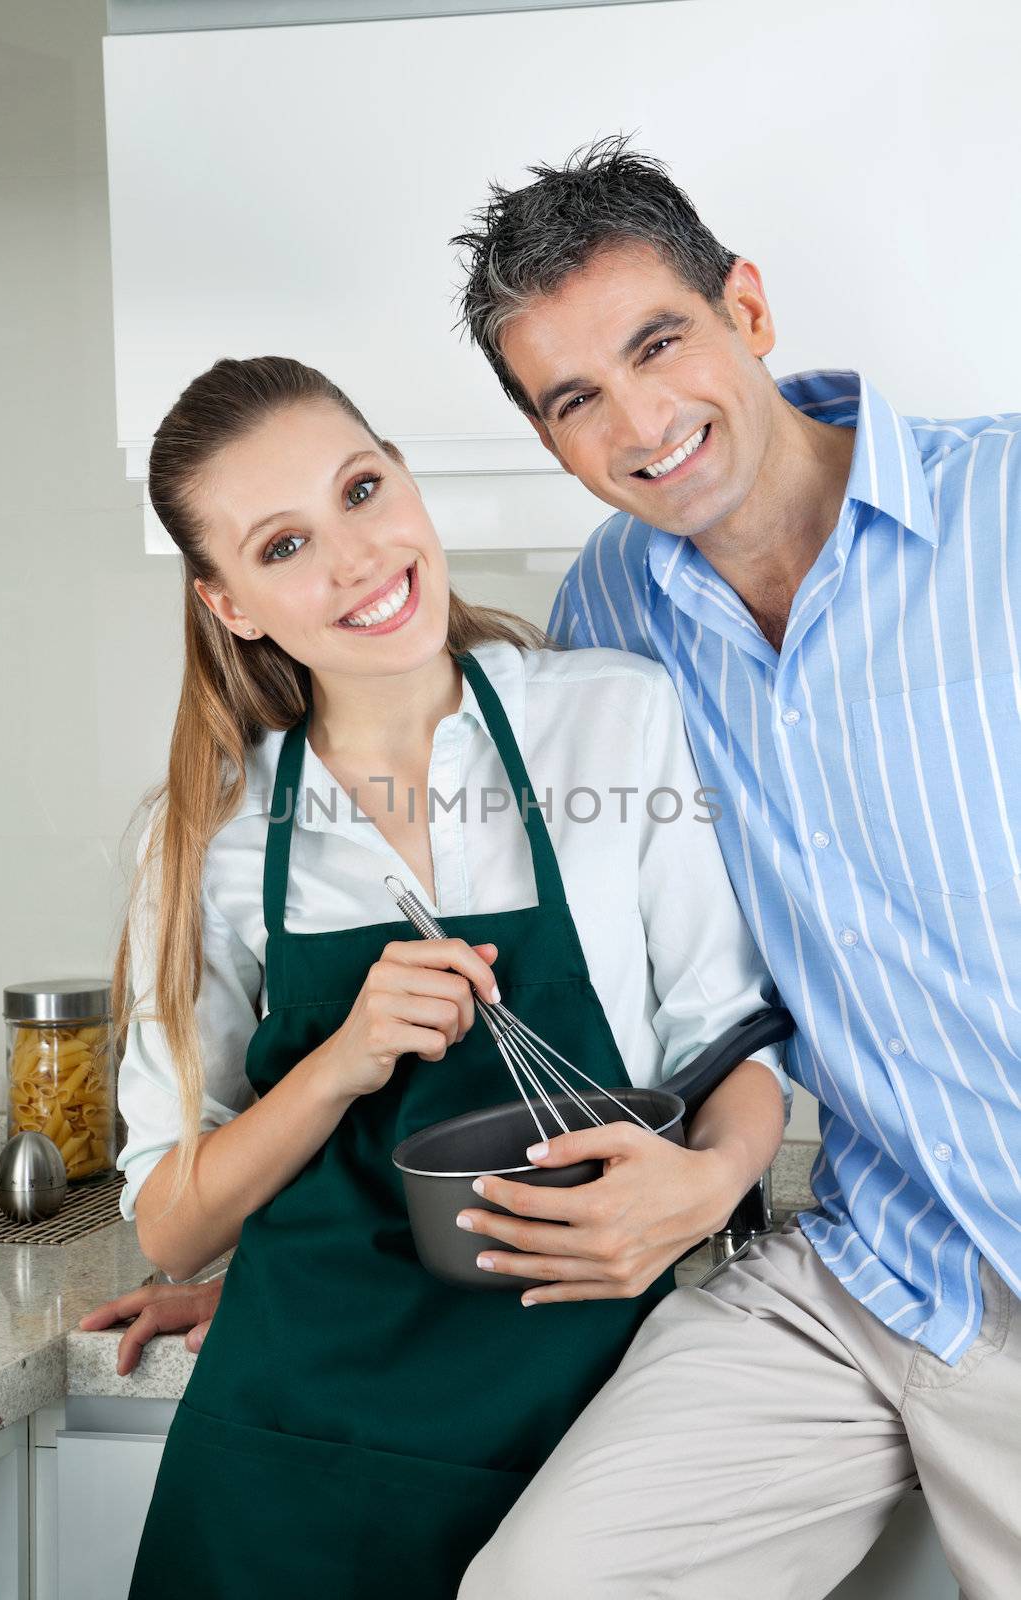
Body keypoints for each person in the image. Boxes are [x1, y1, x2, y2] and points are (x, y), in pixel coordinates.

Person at [104, 353, 788, 1599]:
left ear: (408, 481)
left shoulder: (613, 720)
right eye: (283, 544)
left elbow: (733, 1047)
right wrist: (337, 1064)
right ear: (229, 604)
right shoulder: (208, 832)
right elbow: (171, 1220)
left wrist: (707, 1185)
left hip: (582, 1416)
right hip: (289, 1444)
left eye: (361, 489)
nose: (357, 558)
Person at [445, 140, 1021, 1600]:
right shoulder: (610, 607)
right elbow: (664, 967)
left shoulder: (1004, 511)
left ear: (745, 311)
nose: (639, 422)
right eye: (573, 399)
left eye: (658, 343)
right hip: (869, 1268)